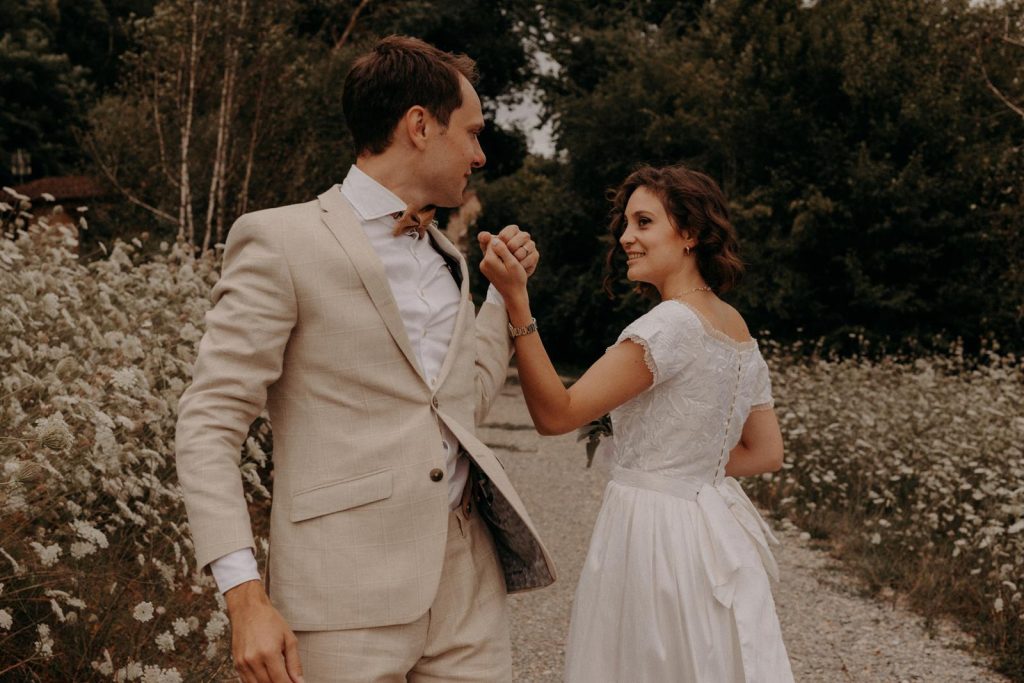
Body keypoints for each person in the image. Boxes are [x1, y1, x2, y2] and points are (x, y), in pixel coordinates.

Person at [175, 36, 556, 683]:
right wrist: (244, 596)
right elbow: (208, 424)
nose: (480, 154)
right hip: (340, 595)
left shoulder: (451, 259)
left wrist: (503, 296)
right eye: (471, 133)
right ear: (418, 126)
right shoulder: (280, 240)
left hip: (467, 588)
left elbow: (461, 402)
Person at [479, 164, 794, 682]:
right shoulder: (735, 326)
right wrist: (679, 462)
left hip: (654, 534)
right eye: (625, 224)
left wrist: (517, 302)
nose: (626, 237)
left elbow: (556, 415)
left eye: (644, 222)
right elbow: (766, 452)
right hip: (712, 525)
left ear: (689, 233)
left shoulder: (669, 325)